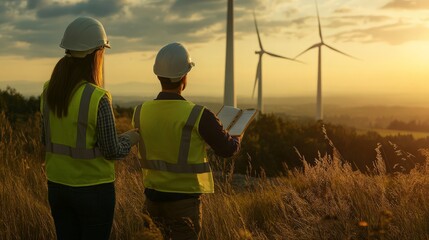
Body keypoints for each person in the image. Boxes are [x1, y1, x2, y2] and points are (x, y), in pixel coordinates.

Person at [40, 16, 140, 240]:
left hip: (57, 187)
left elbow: (45, 139)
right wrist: (131, 138)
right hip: (93, 191)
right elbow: (111, 150)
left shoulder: (48, 91)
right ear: (96, 54)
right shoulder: (98, 97)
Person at [132, 42, 241, 240]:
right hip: (183, 205)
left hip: (151, 201)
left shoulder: (140, 112)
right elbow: (227, 149)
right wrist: (237, 135)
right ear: (184, 77)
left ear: (158, 75)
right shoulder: (199, 114)